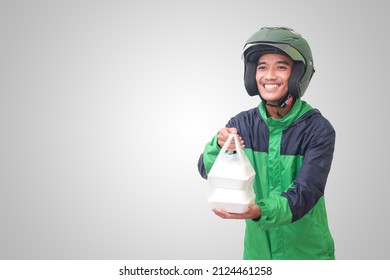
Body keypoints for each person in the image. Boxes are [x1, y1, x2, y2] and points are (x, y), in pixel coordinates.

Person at [197, 27, 336, 260]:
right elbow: (206, 170)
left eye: (281, 66)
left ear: (298, 74)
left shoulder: (317, 130)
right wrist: (218, 146)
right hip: (258, 256)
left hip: (307, 256)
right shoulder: (242, 124)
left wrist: (259, 211)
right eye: (262, 67)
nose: (269, 76)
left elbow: (306, 192)